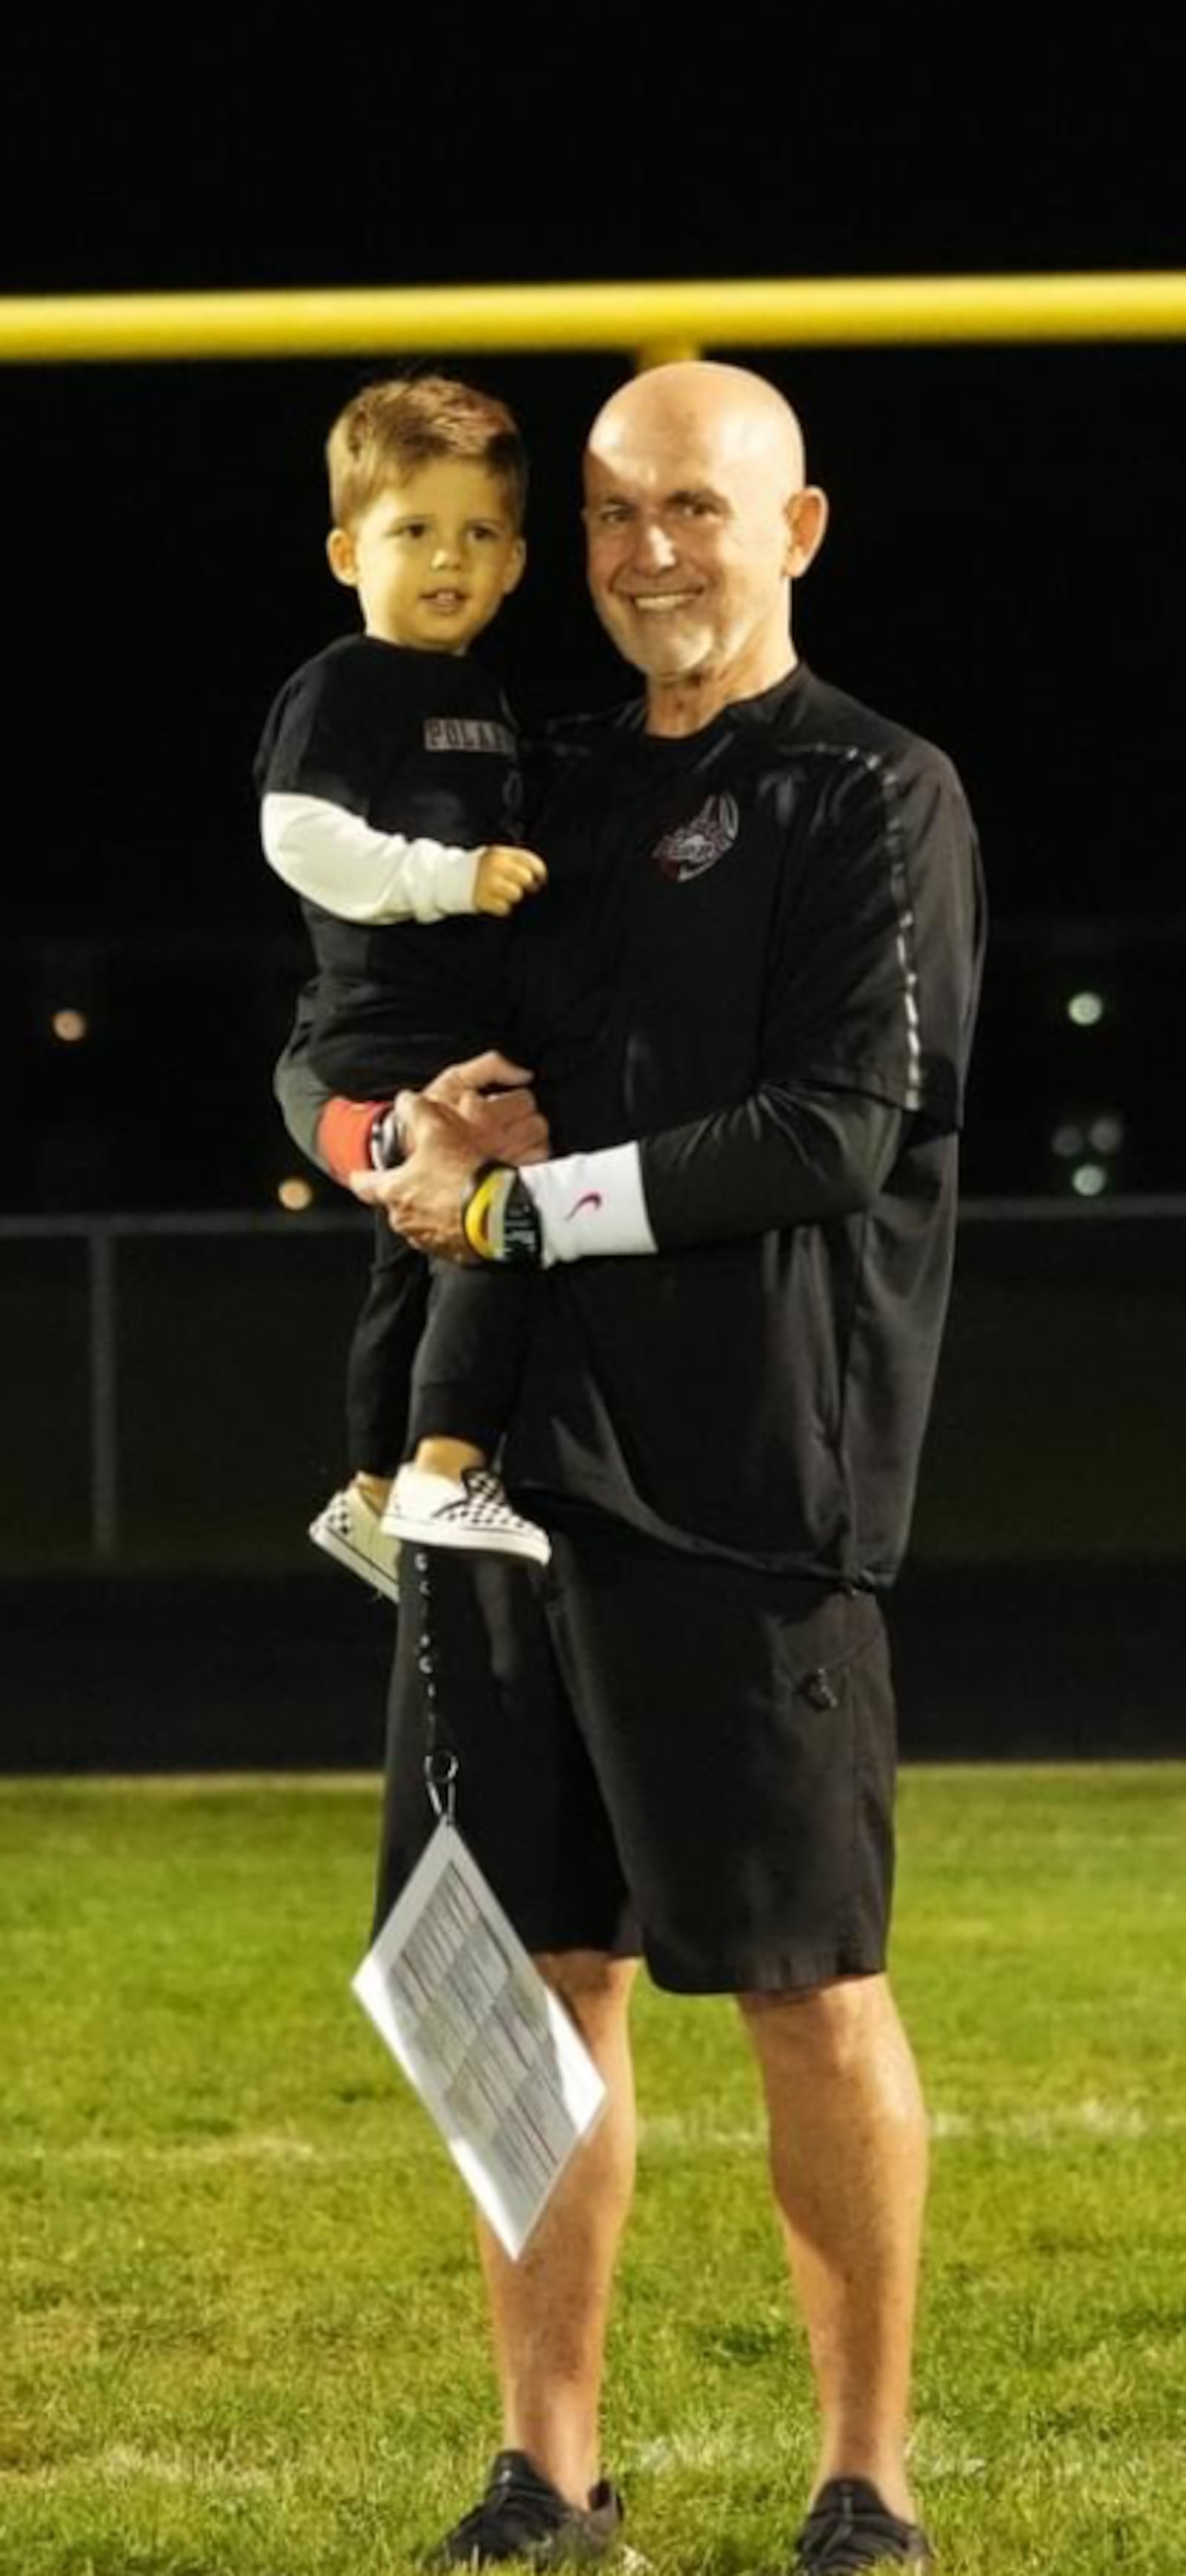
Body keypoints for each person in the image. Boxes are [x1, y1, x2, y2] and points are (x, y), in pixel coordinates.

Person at [281, 360, 985, 2575]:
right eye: (610, 514)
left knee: (800, 1976)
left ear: (795, 529)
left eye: (696, 507)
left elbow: (835, 1131)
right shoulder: (536, 782)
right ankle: (546, 2467)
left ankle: (861, 2479)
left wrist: (516, 1209)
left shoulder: (872, 791)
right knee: (525, 1978)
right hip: (491, 1481)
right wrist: (380, 1139)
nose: (648, 551)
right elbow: (332, 1018)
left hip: (751, 1479)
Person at [256, 373, 551, 1604]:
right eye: (413, 531)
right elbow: (297, 835)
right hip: (374, 1040)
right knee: (488, 1218)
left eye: (479, 533)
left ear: (519, 560)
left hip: (453, 1036)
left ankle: (378, 1488)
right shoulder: (345, 683)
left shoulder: (483, 698)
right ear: (345, 551)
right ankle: (442, 1463)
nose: (449, 558)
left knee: (414, 1263)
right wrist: (447, 876)